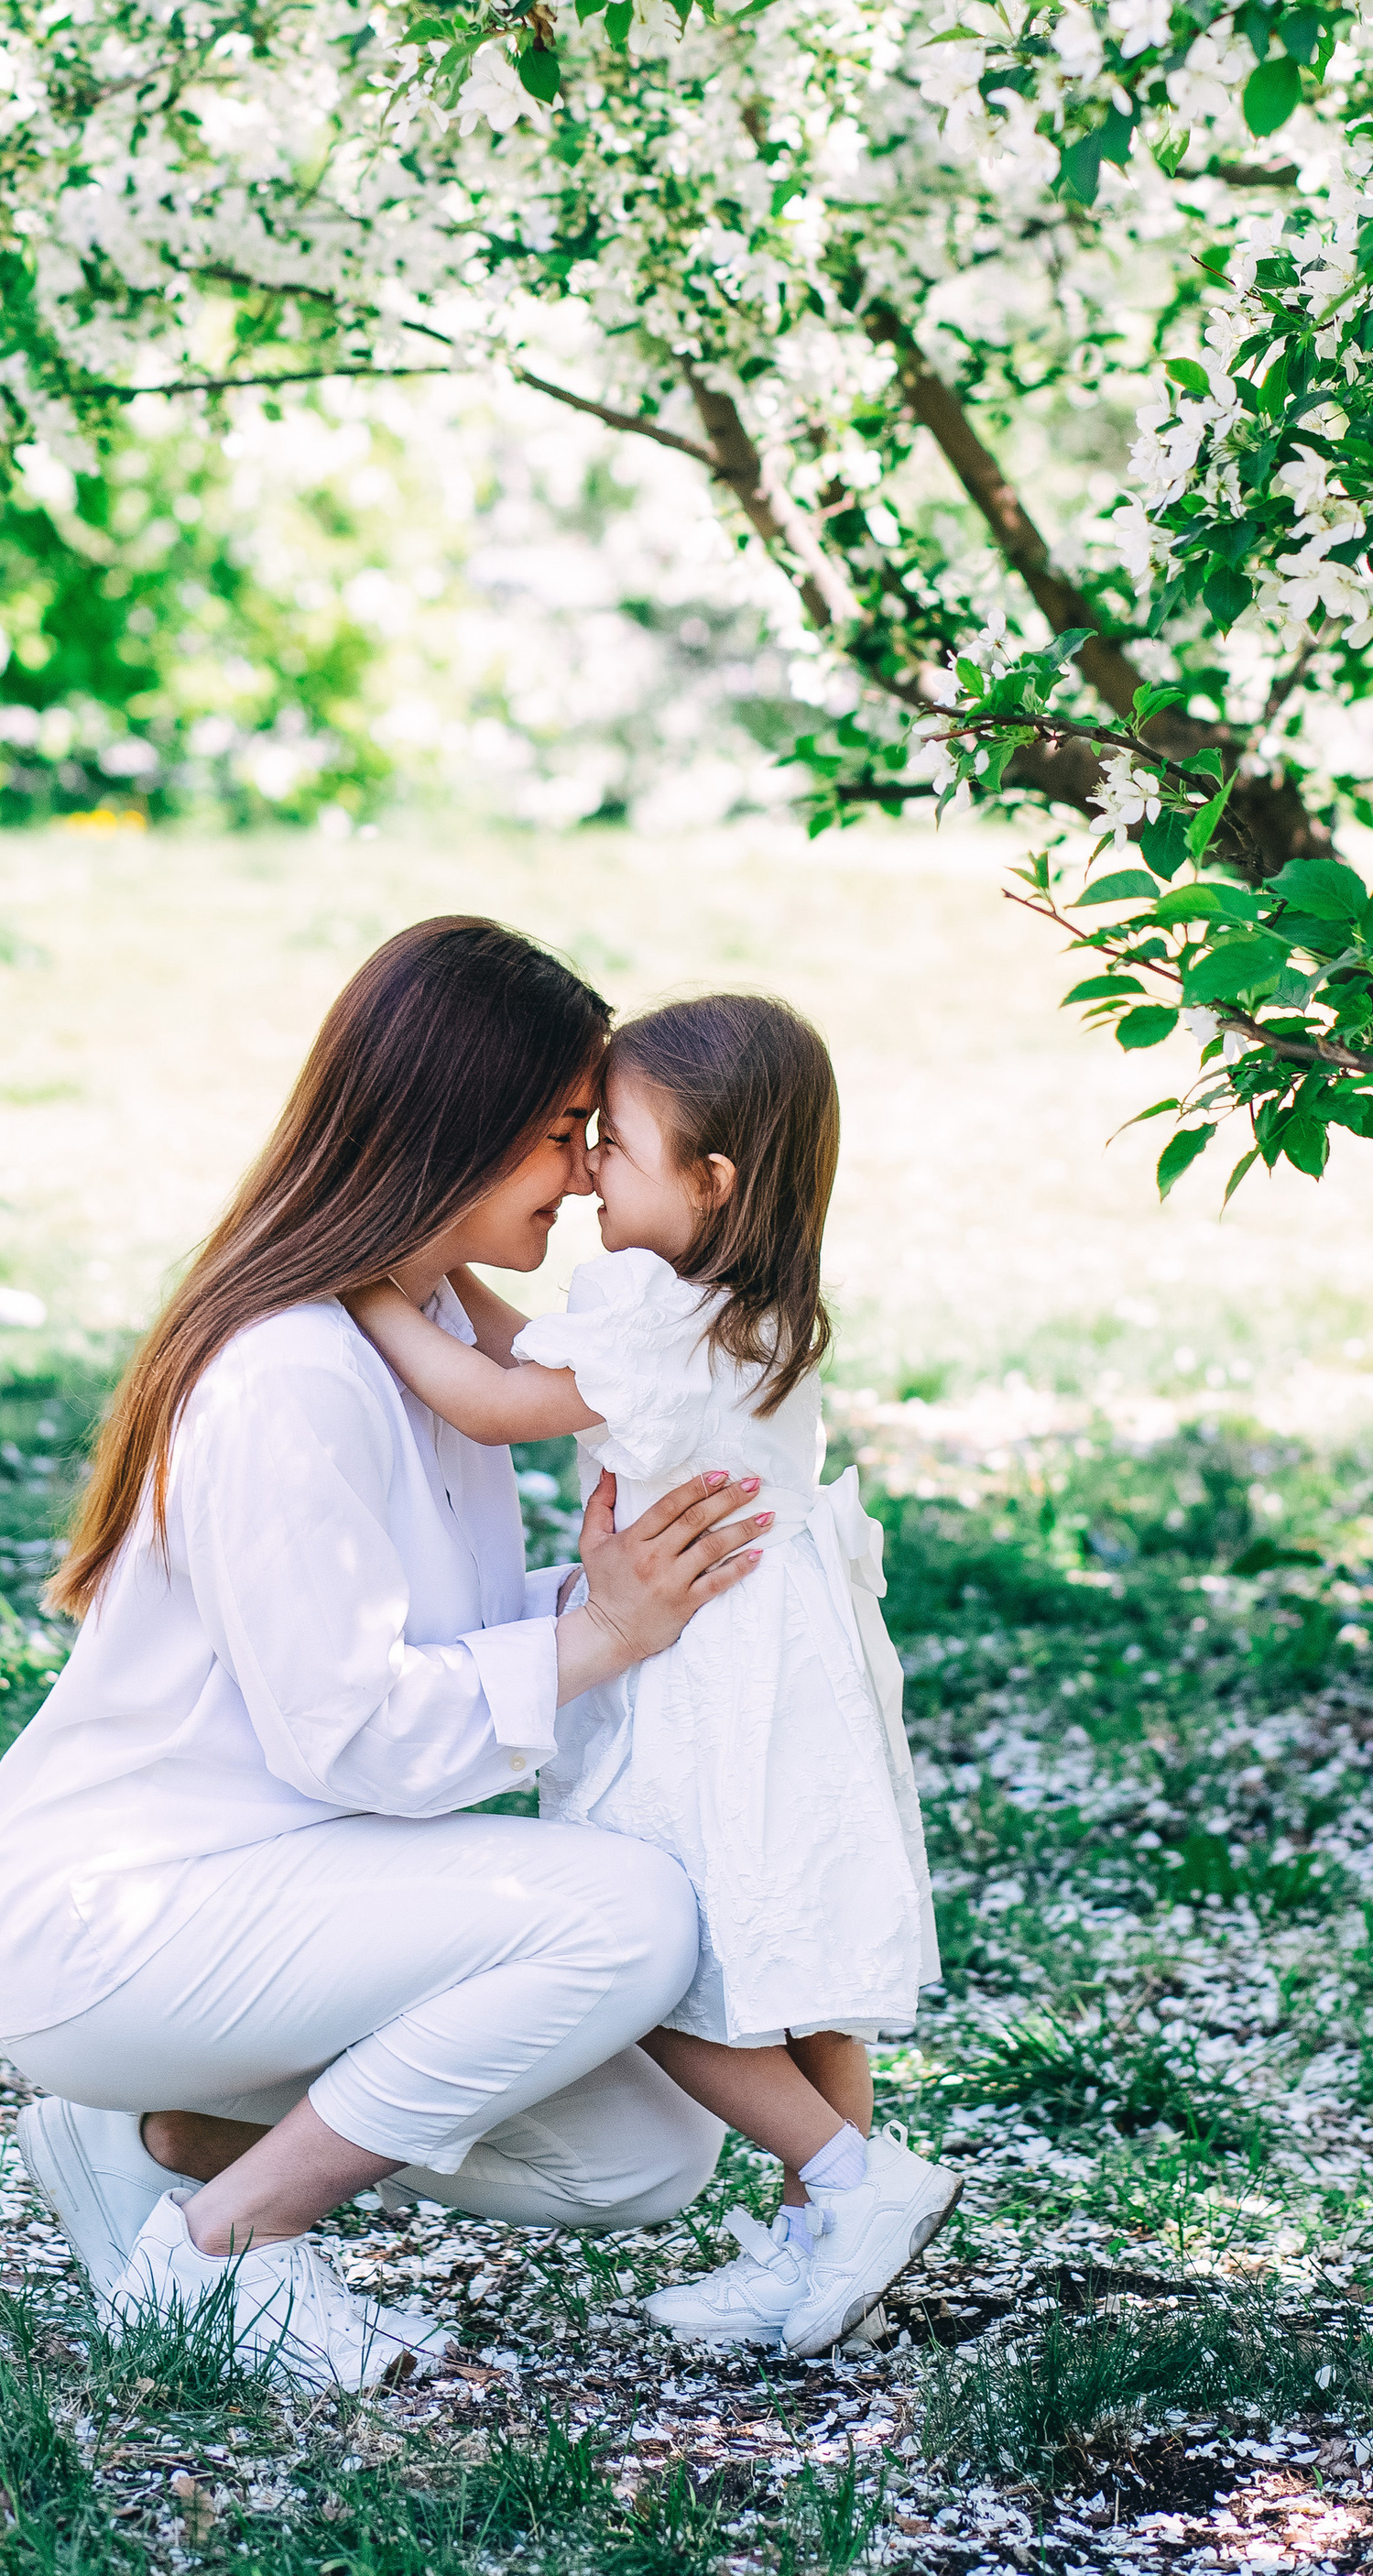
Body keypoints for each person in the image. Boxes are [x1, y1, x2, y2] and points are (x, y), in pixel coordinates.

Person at [0, 917, 771, 2396]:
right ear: (446, 1132)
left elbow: (421, 1637)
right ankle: (219, 2251)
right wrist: (603, 1632)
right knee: (628, 1919)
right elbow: (361, 1736)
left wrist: (613, 1593)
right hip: (122, 1920)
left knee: (647, 2154)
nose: (590, 1174)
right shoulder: (287, 1371)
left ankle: (148, 2130)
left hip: (275, 1897)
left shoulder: (435, 1325)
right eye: (561, 1133)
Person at [344, 990, 953, 2360]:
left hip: (699, 1679)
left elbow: (496, 1397)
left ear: (710, 1179)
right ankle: (827, 2237)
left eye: (608, 1143)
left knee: (657, 1960)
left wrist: (377, 1290)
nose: (585, 1170)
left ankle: (860, 2184)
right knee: (794, 1962)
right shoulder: (754, 1312)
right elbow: (528, 1355)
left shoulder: (659, 1315)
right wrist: (447, 1276)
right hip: (792, 1664)